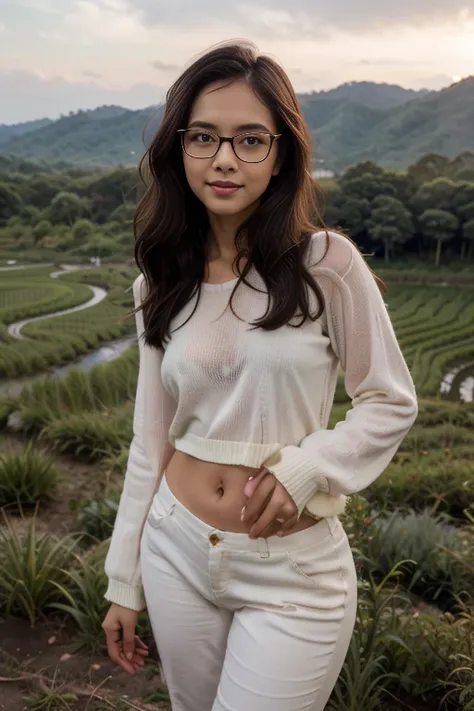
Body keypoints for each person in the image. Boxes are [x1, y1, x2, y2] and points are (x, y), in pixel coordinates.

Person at [101, 40, 418, 711]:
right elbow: (149, 440)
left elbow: (389, 399)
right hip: (175, 548)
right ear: (178, 148)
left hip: (293, 571)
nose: (223, 158)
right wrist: (122, 576)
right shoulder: (159, 283)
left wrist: (307, 466)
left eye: (250, 140)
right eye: (204, 137)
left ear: (280, 156)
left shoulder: (326, 265)